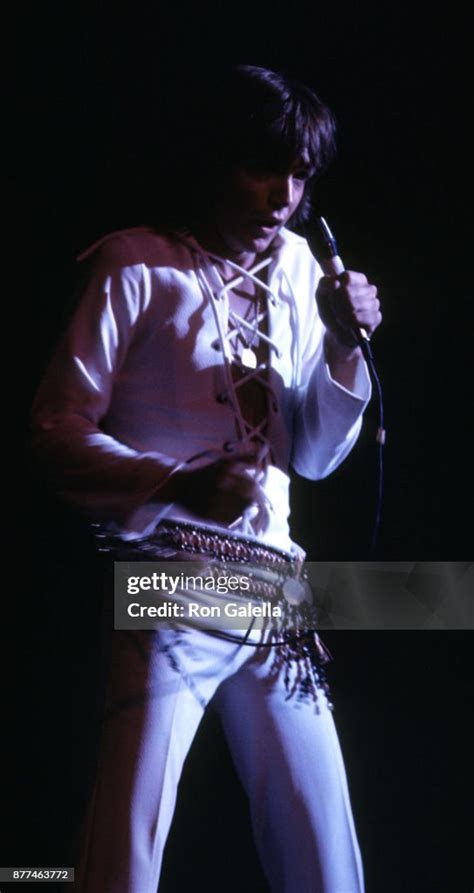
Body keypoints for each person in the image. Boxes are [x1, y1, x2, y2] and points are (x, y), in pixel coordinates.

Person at [31, 64, 381, 892]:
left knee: (326, 849)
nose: (282, 197)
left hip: (277, 593)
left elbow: (317, 458)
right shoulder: (133, 264)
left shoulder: (300, 267)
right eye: (263, 169)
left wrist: (339, 346)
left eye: (299, 176)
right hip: (167, 580)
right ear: (216, 159)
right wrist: (173, 482)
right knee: (129, 840)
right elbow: (52, 431)